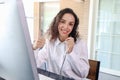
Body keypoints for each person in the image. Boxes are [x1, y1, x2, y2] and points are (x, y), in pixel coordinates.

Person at [33, 8, 89, 80]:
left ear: (73, 27)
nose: (66, 27)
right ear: (57, 22)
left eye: (70, 24)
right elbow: (35, 64)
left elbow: (83, 73)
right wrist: (35, 48)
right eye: (62, 22)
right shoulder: (50, 43)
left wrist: (71, 52)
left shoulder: (80, 44)